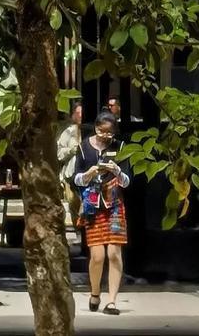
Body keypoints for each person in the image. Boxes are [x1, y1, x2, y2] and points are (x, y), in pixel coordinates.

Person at [68, 108, 130, 315]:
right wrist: (88, 173)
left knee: (114, 252)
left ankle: (111, 301)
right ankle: (95, 292)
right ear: (96, 128)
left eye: (110, 133)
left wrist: (117, 170)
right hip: (92, 205)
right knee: (97, 255)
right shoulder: (84, 148)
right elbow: (74, 178)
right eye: (102, 132)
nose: (106, 136)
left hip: (114, 205)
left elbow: (128, 182)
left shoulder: (120, 147)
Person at [57, 104, 83, 227]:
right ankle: (78, 232)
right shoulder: (69, 132)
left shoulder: (93, 130)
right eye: (78, 113)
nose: (80, 115)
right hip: (70, 173)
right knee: (73, 205)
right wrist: (71, 151)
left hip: (87, 175)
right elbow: (59, 153)